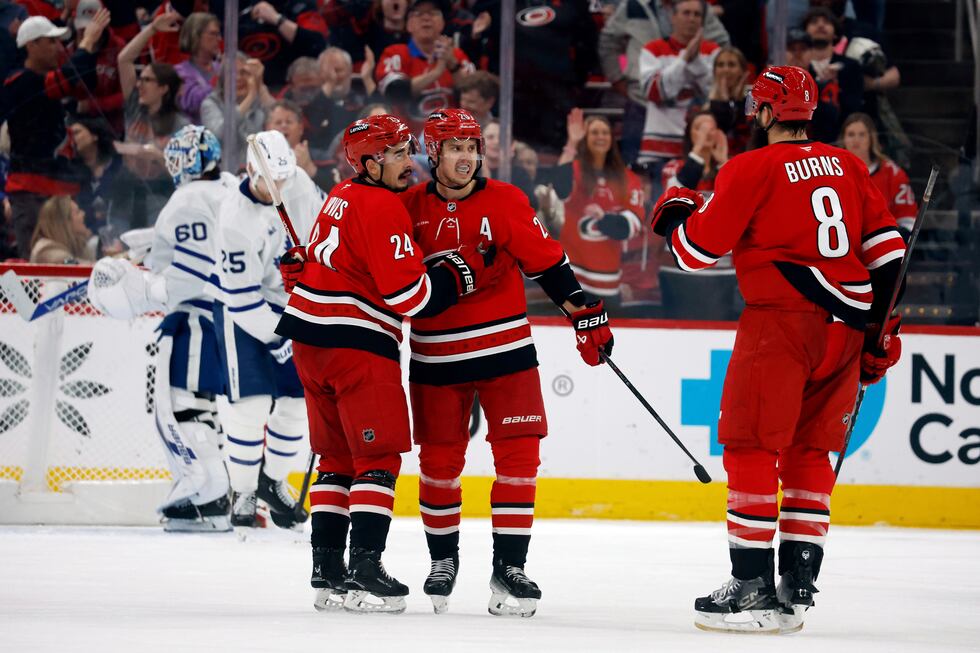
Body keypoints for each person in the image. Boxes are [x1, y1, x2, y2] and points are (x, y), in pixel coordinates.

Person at [649, 66, 906, 634]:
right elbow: (890, 256)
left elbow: (694, 253)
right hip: (847, 328)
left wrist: (675, 216)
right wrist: (879, 330)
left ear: (766, 112)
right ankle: (798, 582)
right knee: (810, 454)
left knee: (749, 449)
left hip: (781, 325)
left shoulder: (751, 168)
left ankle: (751, 587)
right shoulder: (849, 165)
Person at [274, 114, 499, 614]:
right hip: (356, 344)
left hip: (309, 343)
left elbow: (320, 263)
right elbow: (408, 295)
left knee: (336, 459)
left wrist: (300, 266)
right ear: (371, 162)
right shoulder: (382, 206)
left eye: (406, 150)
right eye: (396, 153)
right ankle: (365, 570)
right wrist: (459, 275)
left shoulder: (339, 194)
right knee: (378, 458)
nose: (409, 161)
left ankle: (326, 567)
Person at [400, 109, 615, 616]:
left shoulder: (506, 200)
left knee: (519, 460)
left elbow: (548, 263)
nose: (467, 156)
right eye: (455, 147)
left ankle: (509, 568)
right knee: (439, 464)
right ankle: (443, 561)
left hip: (507, 351)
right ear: (433, 154)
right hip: (436, 355)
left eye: (473, 146)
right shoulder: (406, 207)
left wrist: (584, 315)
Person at [87, 124, 237, 532]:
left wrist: (144, 288)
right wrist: (156, 241)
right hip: (225, 314)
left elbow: (192, 274)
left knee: (181, 404)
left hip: (195, 314)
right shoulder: (228, 187)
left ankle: (208, 495)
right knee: (200, 404)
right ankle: (220, 496)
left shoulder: (187, 199)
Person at [211, 130, 324, 529]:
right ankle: (241, 490)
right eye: (269, 180)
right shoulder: (234, 220)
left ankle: (272, 482)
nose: (278, 187)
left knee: (297, 401)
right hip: (243, 311)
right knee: (250, 406)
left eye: (283, 177)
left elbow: (321, 239)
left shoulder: (298, 183)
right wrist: (278, 339)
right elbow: (241, 297)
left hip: (289, 304)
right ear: (250, 171)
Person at [1, 11, 109, 258]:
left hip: (59, 189)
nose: (57, 47)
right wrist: (87, 42)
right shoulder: (19, 81)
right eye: (50, 41)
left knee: (68, 261)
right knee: (35, 264)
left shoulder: (39, 80)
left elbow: (86, 80)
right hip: (31, 191)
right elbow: (67, 80)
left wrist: (90, 49)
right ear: (32, 45)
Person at [555, 114, 644, 304]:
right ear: (585, 138)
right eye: (594, 132)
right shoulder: (576, 169)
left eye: (605, 132)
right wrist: (572, 142)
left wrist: (603, 219)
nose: (600, 137)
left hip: (607, 279)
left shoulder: (628, 179)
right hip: (570, 273)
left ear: (612, 139)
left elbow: (628, 228)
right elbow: (560, 188)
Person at [637, 0, 719, 197]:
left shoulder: (713, 51)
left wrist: (695, 60)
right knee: (661, 211)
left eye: (697, 15)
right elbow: (654, 91)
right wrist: (684, 61)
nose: (691, 19)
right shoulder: (652, 49)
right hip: (659, 150)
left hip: (702, 148)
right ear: (672, 17)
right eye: (686, 13)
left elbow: (713, 93)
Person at [115, 11, 190, 229]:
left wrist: (157, 156)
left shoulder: (181, 125)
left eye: (147, 80)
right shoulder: (134, 107)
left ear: (164, 88)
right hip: (126, 197)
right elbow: (124, 59)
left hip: (162, 200)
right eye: (140, 79)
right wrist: (152, 28)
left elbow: (185, 174)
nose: (140, 85)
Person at [374, 0, 474, 127]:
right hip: (408, 139)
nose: (426, 18)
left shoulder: (457, 55)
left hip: (452, 136)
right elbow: (394, 91)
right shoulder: (396, 53)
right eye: (418, 14)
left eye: (433, 13)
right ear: (408, 25)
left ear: (442, 23)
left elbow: (475, 95)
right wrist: (436, 72)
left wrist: (453, 66)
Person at [840, 112, 918, 232]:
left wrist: (897, 239)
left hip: (883, 242)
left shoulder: (892, 173)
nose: (856, 140)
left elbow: (907, 217)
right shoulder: (832, 171)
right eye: (851, 134)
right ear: (843, 139)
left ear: (871, 139)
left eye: (862, 135)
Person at [200, 53, 275, 172]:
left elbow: (277, 119)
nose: (238, 78)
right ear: (223, 78)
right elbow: (220, 134)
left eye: (244, 73)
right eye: (232, 73)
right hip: (225, 175)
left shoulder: (260, 101)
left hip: (260, 174)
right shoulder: (211, 104)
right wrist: (250, 97)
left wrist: (260, 84)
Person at [802, 7, 863, 144]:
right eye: (814, 22)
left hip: (840, 139)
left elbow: (854, 109)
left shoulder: (850, 66)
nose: (820, 25)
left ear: (836, 34)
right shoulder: (799, 69)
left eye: (827, 22)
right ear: (805, 32)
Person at [238, 0, 328, 89]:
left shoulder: (301, 6)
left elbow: (317, 45)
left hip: (292, 88)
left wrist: (277, 19)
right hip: (249, 88)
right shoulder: (239, 8)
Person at [67, 116, 123, 233]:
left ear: (94, 135)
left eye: (76, 132)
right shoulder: (72, 175)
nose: (72, 139)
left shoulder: (118, 164)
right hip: (87, 236)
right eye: (69, 135)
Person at [661, 110, 727, 193]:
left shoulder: (727, 166)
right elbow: (676, 197)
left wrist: (723, 162)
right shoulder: (674, 167)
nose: (706, 133)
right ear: (689, 133)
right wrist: (697, 151)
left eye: (711, 128)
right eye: (700, 128)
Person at [174, 11, 221, 122]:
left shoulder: (220, 68)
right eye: (213, 34)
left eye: (218, 34)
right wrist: (221, 79)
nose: (218, 39)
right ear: (196, 35)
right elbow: (194, 103)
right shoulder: (180, 72)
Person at [29, 195, 96, 263]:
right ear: (64, 222)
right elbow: (72, 264)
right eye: (77, 212)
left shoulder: (78, 245)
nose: (83, 214)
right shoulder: (46, 250)